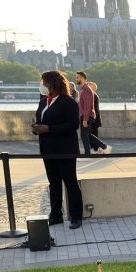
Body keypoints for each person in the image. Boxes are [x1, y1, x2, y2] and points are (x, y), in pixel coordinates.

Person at [32, 71, 83, 229]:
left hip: (65, 149)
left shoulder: (68, 102)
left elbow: (72, 125)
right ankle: (55, 215)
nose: (42, 85)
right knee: (53, 183)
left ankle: (76, 216)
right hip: (47, 149)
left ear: (53, 83)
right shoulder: (43, 102)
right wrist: (36, 128)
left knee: (70, 182)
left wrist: (49, 129)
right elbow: (41, 121)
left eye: (44, 82)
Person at [88, 81, 112, 154]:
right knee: (92, 135)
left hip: (94, 119)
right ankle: (97, 149)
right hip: (94, 119)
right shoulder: (93, 95)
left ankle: (99, 148)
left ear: (93, 88)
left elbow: (91, 109)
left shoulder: (93, 96)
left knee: (92, 135)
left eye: (89, 86)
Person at [76, 70, 95, 156]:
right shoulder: (83, 89)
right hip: (85, 116)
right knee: (87, 135)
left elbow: (88, 106)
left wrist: (85, 119)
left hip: (86, 116)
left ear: (83, 78)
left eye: (78, 77)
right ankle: (104, 147)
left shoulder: (86, 90)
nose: (76, 79)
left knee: (84, 136)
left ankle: (87, 154)